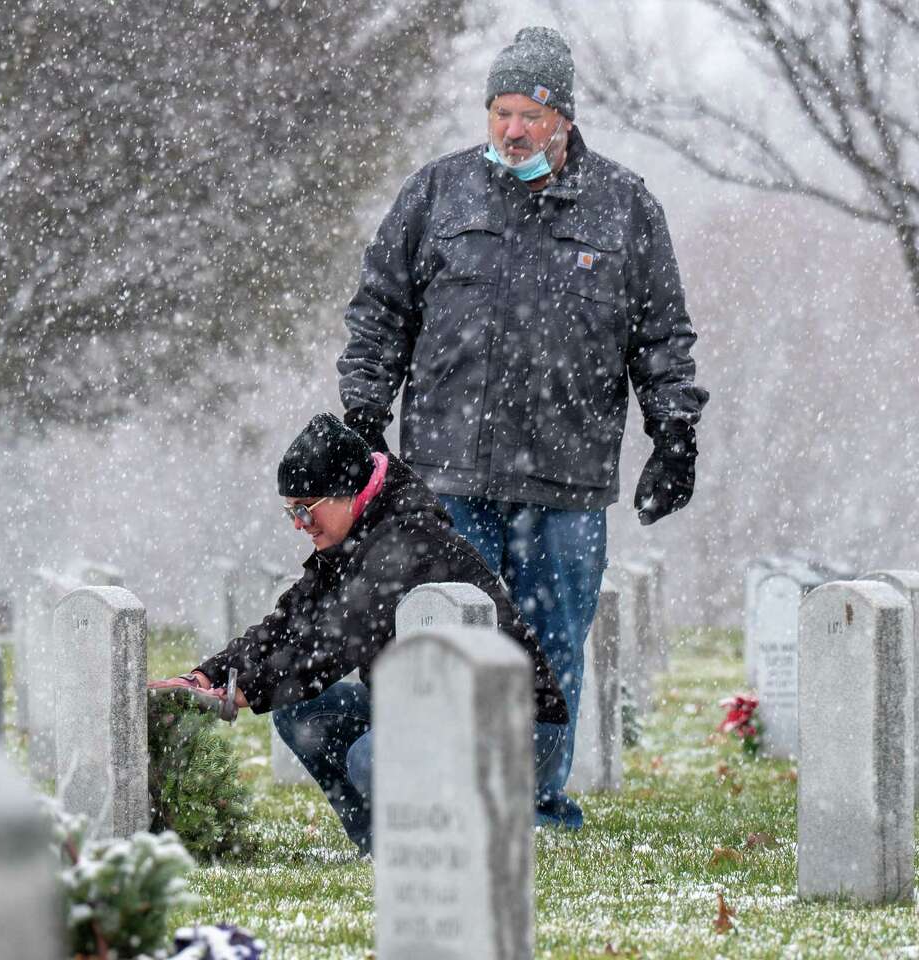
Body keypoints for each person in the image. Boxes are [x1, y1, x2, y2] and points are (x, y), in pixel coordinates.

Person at [336, 26, 709, 829]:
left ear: (563, 118)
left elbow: (660, 334)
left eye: (530, 115)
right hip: (448, 472)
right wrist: (364, 411)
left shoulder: (624, 207)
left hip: (566, 478)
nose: (512, 130)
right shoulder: (438, 195)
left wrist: (674, 434)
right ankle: (446, 795)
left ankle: (533, 804)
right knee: (442, 635)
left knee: (550, 644)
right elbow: (380, 313)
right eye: (500, 112)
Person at [149, 412, 568, 854]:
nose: (298, 523)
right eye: (290, 511)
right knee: (301, 714)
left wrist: (245, 691)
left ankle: (439, 854)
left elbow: (338, 643)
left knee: (372, 760)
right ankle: (381, 848)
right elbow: (289, 622)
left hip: (519, 725)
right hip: (429, 708)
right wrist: (208, 675)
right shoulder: (352, 536)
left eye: (304, 508)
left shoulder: (406, 538)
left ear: (345, 491)